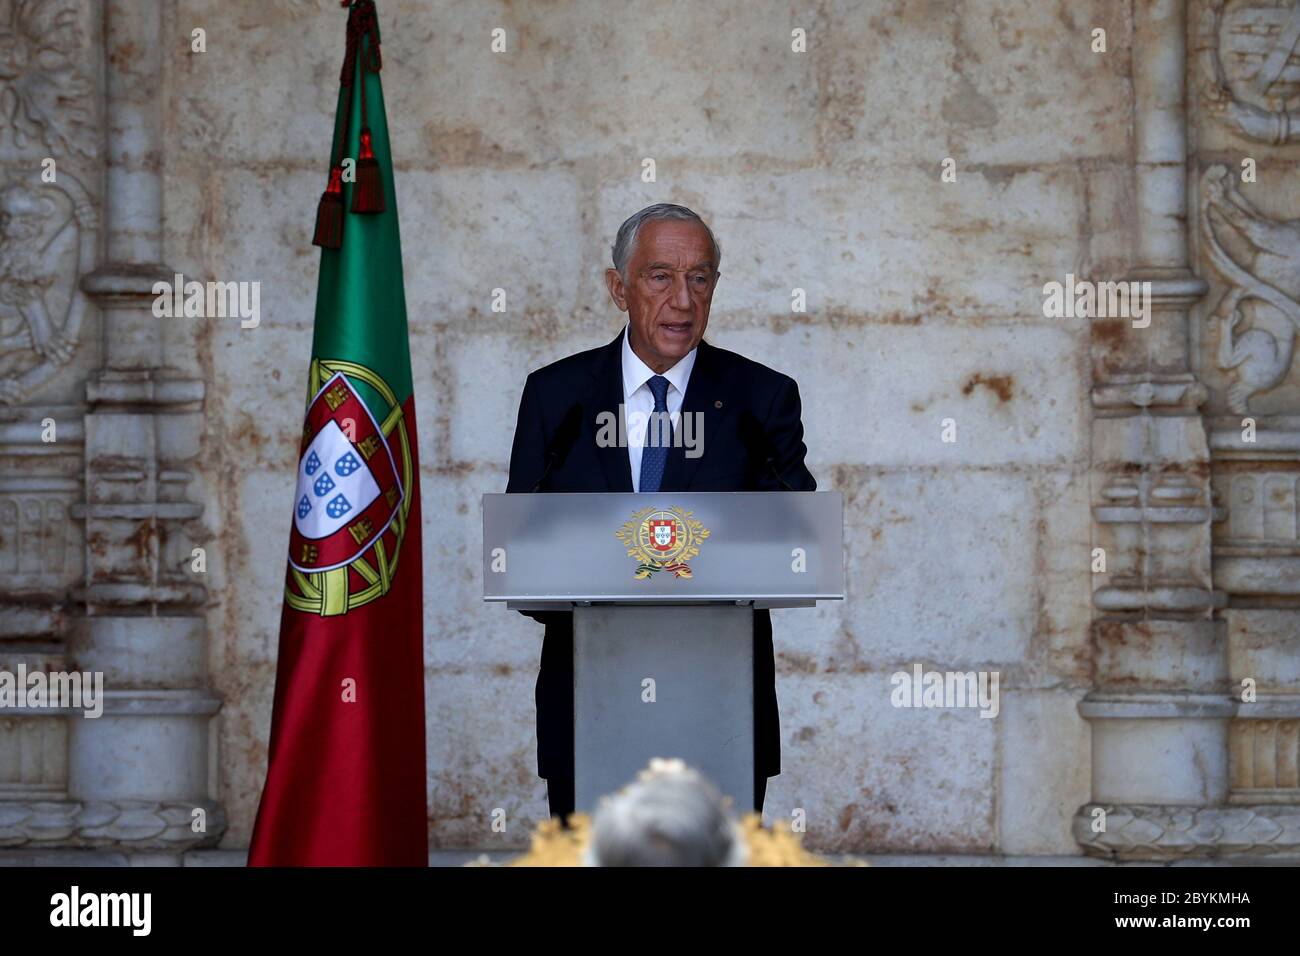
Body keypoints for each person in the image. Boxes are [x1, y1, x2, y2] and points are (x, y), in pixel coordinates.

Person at [505, 202, 816, 821]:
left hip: (720, 706)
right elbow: (523, 553)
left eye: (699, 278)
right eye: (660, 277)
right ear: (618, 288)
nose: (682, 300)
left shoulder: (762, 397)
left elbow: (796, 543)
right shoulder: (556, 395)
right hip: (588, 699)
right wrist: (606, 575)